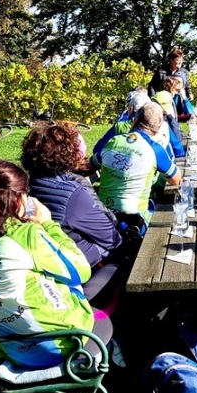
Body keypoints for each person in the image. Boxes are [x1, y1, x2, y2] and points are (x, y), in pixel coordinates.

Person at [0, 160, 111, 369]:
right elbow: (80, 271)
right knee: (103, 319)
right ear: (18, 198)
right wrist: (48, 224)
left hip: (8, 347)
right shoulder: (27, 235)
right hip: (59, 344)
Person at [23, 123, 125, 305]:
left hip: (48, 267)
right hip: (84, 268)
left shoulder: (25, 188)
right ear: (69, 154)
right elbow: (112, 239)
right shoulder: (72, 194)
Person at [91, 103, 182, 225]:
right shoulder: (156, 150)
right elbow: (176, 180)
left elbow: (88, 166)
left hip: (102, 216)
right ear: (158, 128)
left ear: (135, 120)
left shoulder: (113, 141)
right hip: (135, 220)